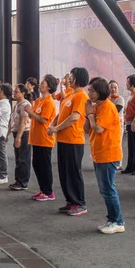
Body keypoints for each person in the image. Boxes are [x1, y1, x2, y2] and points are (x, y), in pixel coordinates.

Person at [84, 77, 125, 235]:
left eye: (92, 91)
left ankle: (118, 221)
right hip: (100, 153)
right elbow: (87, 129)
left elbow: (99, 128)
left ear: (100, 92)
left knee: (108, 189)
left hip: (108, 154)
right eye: (89, 90)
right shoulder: (98, 107)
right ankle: (112, 219)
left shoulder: (107, 106)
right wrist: (88, 114)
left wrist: (90, 114)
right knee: (105, 189)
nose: (90, 93)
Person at [48, 68, 90, 217]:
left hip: (74, 139)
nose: (68, 79)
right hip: (63, 139)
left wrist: (56, 128)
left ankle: (79, 203)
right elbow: (61, 114)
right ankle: (70, 201)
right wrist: (53, 125)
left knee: (73, 172)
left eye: (71, 77)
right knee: (64, 172)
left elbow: (74, 117)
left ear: (78, 78)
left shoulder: (81, 96)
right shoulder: (70, 95)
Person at [25, 74, 57, 202]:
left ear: (49, 86)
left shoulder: (49, 102)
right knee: (37, 164)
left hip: (45, 138)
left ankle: (48, 191)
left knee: (44, 165)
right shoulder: (38, 100)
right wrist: (31, 113)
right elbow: (34, 117)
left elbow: (43, 120)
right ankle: (43, 190)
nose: (40, 85)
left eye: (43, 83)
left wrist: (30, 112)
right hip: (36, 138)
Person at [8, 84, 32, 191]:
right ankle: (18, 180)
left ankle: (23, 182)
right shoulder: (16, 105)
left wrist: (19, 137)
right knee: (18, 157)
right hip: (17, 132)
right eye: (14, 91)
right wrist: (8, 134)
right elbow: (11, 121)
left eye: (16, 91)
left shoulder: (25, 104)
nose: (14, 93)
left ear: (23, 93)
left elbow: (23, 122)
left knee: (23, 158)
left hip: (24, 133)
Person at [108, 80, 125, 170]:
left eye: (115, 87)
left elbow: (115, 111)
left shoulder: (120, 99)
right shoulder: (108, 99)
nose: (113, 89)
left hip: (118, 125)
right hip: (109, 125)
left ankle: (119, 163)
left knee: (118, 143)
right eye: (111, 87)